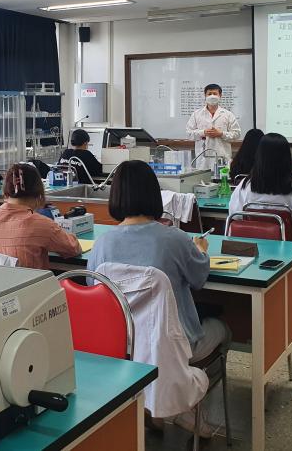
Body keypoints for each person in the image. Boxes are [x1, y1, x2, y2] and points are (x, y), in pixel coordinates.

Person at [87, 160, 229, 436]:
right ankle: (188, 409)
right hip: (174, 344)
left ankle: (153, 406)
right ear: (154, 194)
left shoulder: (102, 244)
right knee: (224, 329)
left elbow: (97, 291)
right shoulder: (174, 239)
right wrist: (201, 251)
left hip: (123, 344)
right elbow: (199, 278)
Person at [0, 162, 81, 269]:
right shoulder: (41, 224)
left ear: (5, 191)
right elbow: (73, 249)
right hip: (29, 282)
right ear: (39, 192)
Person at [228, 133, 292, 242]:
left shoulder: (245, 185)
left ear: (259, 156)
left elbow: (235, 215)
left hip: (254, 246)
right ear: (287, 157)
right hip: (291, 249)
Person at [185, 83, 242, 163]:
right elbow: (188, 133)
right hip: (203, 159)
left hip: (222, 157)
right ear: (205, 96)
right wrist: (203, 132)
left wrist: (221, 134)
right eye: (209, 94)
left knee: (222, 170)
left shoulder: (228, 115)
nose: (212, 96)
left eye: (215, 94)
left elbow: (237, 134)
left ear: (220, 95)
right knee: (203, 170)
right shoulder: (196, 114)